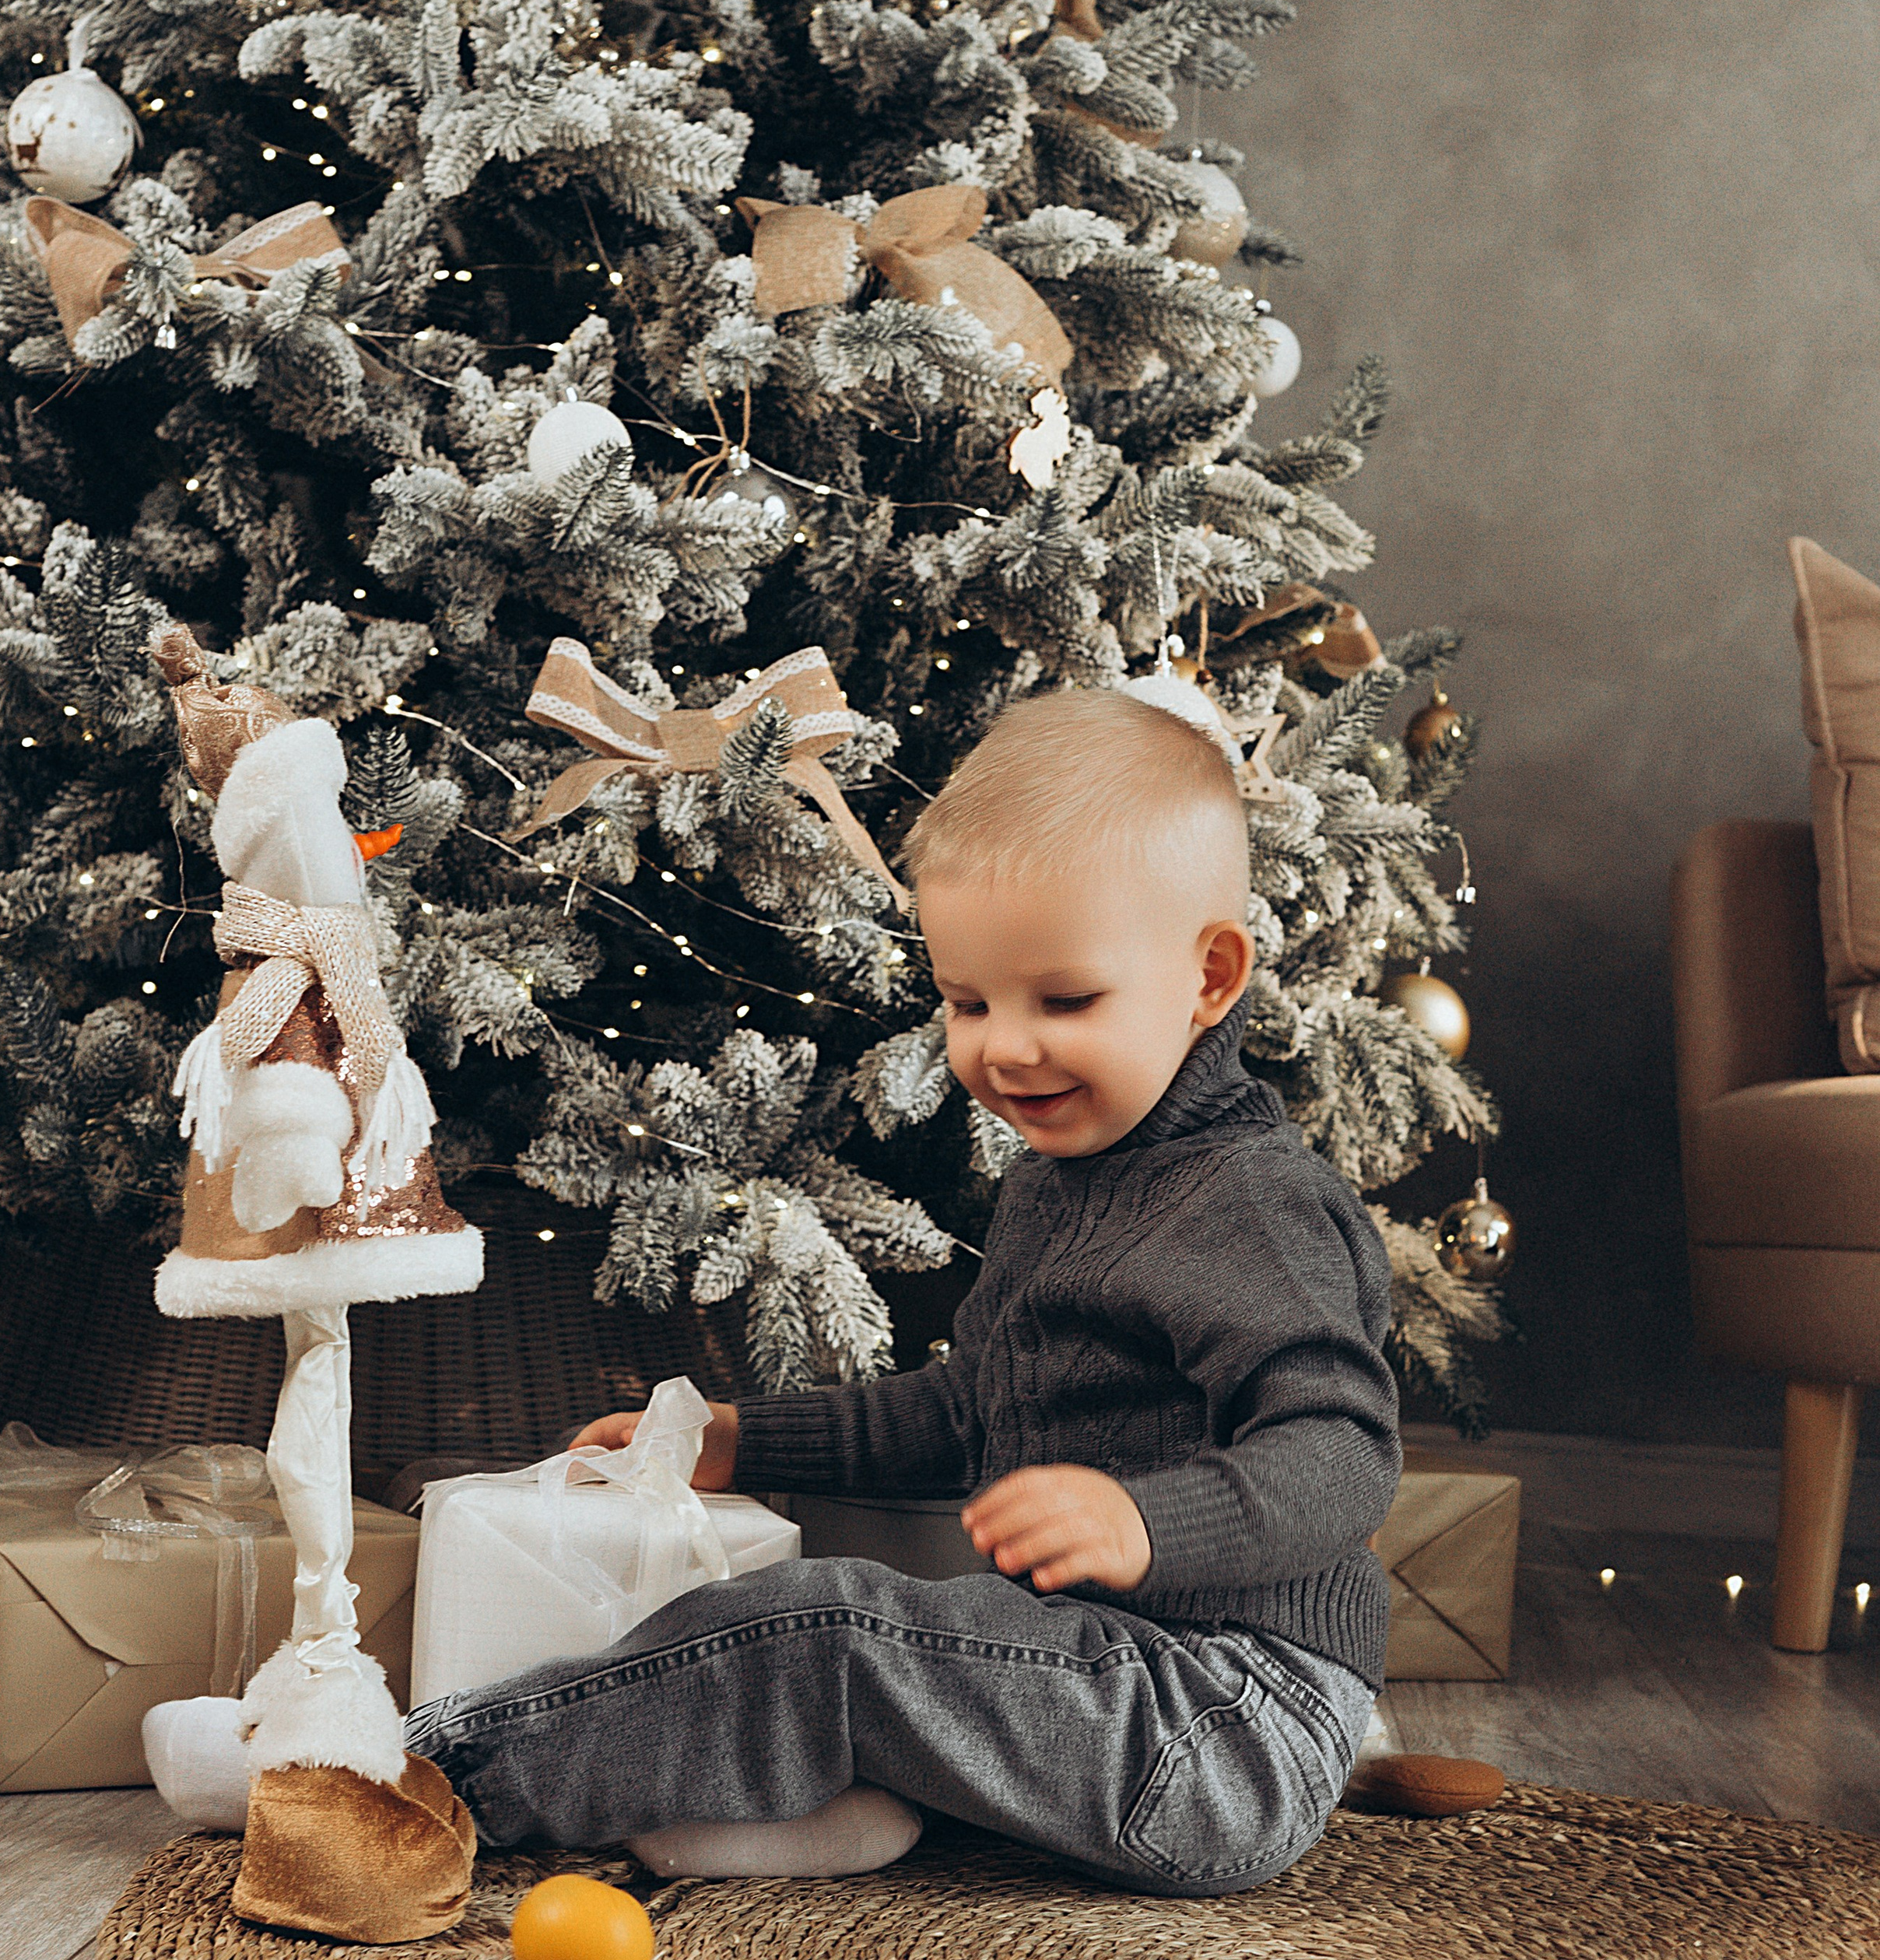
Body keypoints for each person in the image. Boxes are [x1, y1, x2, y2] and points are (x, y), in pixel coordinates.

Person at [406, 683, 1401, 1895]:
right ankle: (847, 1810)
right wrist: (738, 1438)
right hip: (1099, 1666)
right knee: (847, 1628)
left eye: (1066, 1000)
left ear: (1209, 976)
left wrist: (1151, 1522)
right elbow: (964, 1412)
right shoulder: (1060, 1182)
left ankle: (411, 1781)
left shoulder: (1254, 1200)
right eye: (968, 1001)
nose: (1004, 1046)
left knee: (831, 1632)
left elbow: (1344, 1451)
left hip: (1229, 1711)